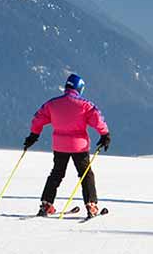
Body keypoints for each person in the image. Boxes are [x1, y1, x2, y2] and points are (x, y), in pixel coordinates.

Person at [24, 73, 111, 218]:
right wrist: (105, 135)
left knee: (56, 174)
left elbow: (38, 118)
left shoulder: (52, 104)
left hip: (60, 146)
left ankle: (46, 204)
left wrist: (34, 135)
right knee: (86, 175)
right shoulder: (85, 105)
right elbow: (97, 119)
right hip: (79, 147)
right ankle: (91, 205)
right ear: (80, 88)